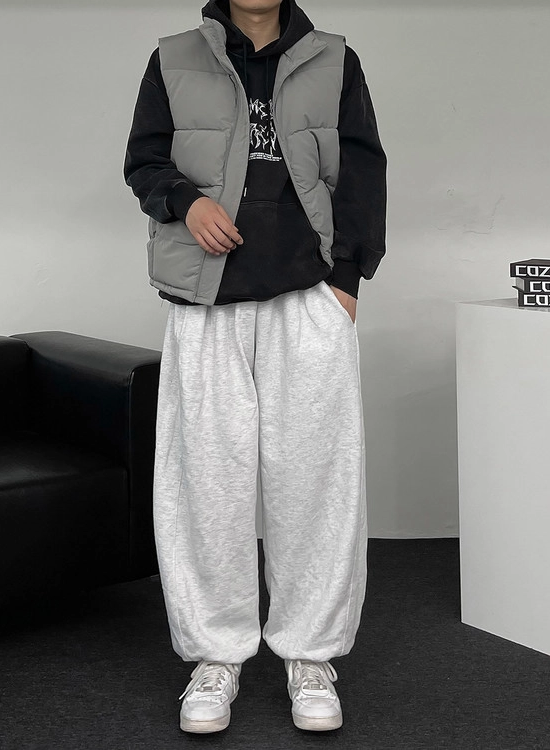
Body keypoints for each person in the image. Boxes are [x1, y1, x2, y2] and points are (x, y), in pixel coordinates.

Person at [123, 0, 387, 735]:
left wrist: (347, 281)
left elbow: (363, 171)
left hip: (309, 294)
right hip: (206, 298)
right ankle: (216, 656)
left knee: (318, 480)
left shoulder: (335, 59)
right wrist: (185, 203)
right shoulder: (173, 57)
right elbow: (143, 160)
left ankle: (311, 654)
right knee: (206, 482)